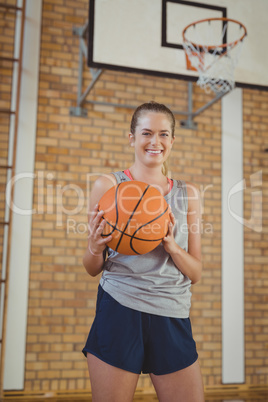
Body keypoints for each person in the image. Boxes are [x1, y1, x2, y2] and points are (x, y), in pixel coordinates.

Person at [82, 101, 204, 402]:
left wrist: (172, 246)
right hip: (119, 307)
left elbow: (196, 272)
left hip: (172, 311)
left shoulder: (188, 194)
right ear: (132, 138)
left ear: (172, 141)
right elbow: (91, 266)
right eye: (147, 133)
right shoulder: (109, 185)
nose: (155, 142)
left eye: (164, 134)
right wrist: (95, 247)